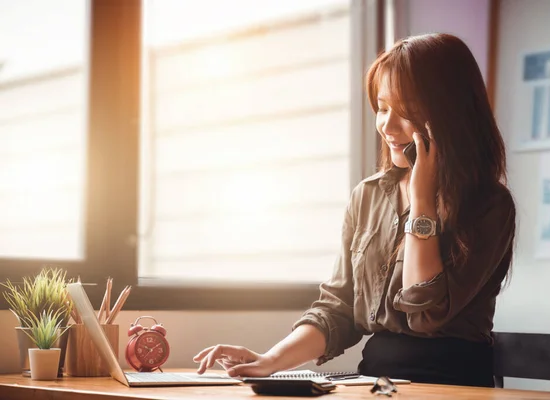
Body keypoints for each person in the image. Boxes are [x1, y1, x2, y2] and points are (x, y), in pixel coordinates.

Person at [193, 33, 516, 388]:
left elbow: (427, 315)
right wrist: (269, 360)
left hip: (452, 385)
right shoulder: (369, 195)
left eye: (407, 112)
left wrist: (422, 202)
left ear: (450, 114)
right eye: (382, 108)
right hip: (376, 382)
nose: (388, 127)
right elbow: (338, 309)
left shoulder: (490, 206)